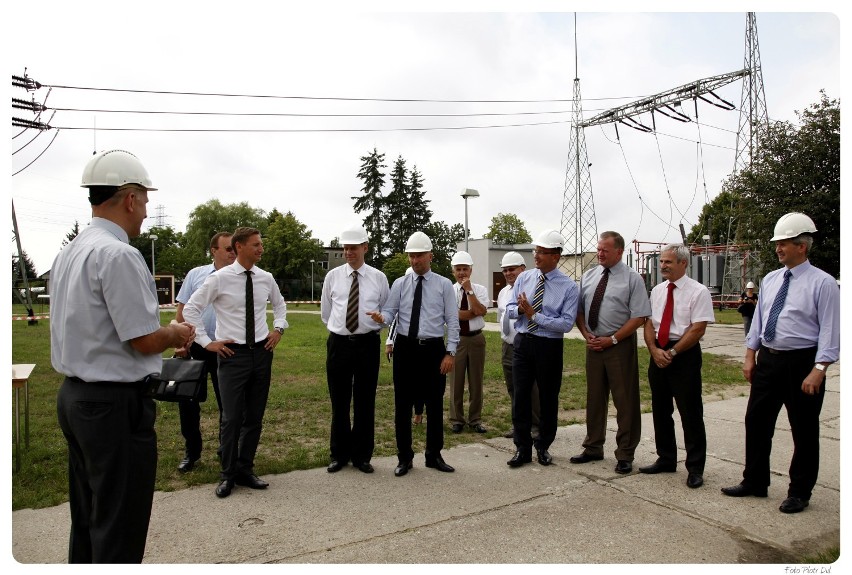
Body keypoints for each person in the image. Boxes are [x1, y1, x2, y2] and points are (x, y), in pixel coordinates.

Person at [52, 149, 195, 563]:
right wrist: (176, 331)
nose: (147, 212)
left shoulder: (72, 251)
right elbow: (145, 339)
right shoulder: (118, 254)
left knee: (89, 515)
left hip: (76, 398)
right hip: (111, 405)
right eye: (146, 201)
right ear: (130, 197)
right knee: (120, 523)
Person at [722, 213, 839, 514]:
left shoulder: (823, 284)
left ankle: (799, 491)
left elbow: (830, 330)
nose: (778, 248)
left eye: (784, 243)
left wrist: (820, 369)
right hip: (768, 362)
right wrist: (750, 356)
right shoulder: (772, 280)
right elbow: (759, 321)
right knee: (757, 422)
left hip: (803, 364)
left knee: (803, 429)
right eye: (777, 243)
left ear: (803, 246)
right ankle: (755, 482)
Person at [183, 226, 288, 498]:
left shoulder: (265, 278)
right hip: (232, 356)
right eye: (255, 244)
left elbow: (279, 305)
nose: (261, 248)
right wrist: (207, 342)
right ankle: (227, 474)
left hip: (262, 354)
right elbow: (192, 309)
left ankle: (245, 469)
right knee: (231, 418)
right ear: (239, 246)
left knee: (254, 417)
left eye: (260, 244)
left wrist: (278, 329)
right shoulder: (220, 278)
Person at [368, 231, 460, 477]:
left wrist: (450, 353)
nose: (414, 260)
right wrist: (381, 318)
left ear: (430, 255)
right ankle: (404, 458)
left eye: (419, 255)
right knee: (402, 404)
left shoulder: (443, 285)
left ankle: (434, 455)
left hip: (432, 350)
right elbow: (390, 312)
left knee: (434, 402)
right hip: (405, 349)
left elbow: (452, 320)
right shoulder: (400, 283)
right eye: (411, 256)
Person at [571, 231, 650, 474]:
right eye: (598, 249)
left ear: (619, 252)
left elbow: (638, 316)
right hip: (594, 345)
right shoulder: (589, 276)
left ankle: (625, 453)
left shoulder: (632, 279)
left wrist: (612, 339)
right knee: (595, 398)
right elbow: (580, 310)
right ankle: (593, 446)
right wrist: (587, 335)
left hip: (619, 345)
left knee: (625, 400)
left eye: (605, 250)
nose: (600, 253)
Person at [640, 243, 715, 488]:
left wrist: (671, 352)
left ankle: (695, 468)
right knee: (661, 411)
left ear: (683, 263)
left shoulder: (698, 291)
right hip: (658, 352)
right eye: (661, 262)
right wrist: (654, 351)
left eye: (668, 262)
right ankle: (666, 458)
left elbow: (698, 329)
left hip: (683, 355)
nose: (663, 266)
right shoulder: (658, 290)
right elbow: (650, 323)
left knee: (690, 413)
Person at [504, 229, 579, 468]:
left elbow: (566, 324)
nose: (536, 256)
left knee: (548, 398)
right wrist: (520, 311)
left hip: (549, 346)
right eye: (535, 251)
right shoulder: (525, 278)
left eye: (542, 252)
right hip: (523, 343)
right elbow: (509, 308)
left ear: (556, 256)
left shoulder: (568, 287)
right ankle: (522, 448)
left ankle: (543, 445)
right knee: (520, 396)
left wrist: (533, 314)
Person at [321, 224, 389, 474]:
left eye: (354, 248)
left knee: (364, 401)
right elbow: (326, 313)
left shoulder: (378, 278)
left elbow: (386, 311)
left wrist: (377, 321)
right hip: (339, 343)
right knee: (339, 401)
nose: (349, 252)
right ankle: (338, 454)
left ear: (365, 248)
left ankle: (361, 456)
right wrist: (341, 330)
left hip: (367, 344)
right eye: (346, 248)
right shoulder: (333, 277)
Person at [173, 232, 235, 472]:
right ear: (214, 250)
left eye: (234, 249)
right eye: (228, 249)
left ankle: (225, 449)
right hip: (197, 347)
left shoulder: (240, 277)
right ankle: (192, 452)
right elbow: (182, 313)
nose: (233, 253)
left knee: (228, 404)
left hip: (225, 348)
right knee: (188, 402)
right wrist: (181, 343)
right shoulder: (196, 275)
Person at [496, 251, 540, 439]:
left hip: (528, 344)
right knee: (513, 387)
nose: (508, 273)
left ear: (523, 268)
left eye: (511, 269)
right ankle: (519, 424)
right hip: (508, 345)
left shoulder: (533, 288)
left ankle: (536, 425)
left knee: (532, 388)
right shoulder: (503, 292)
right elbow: (501, 317)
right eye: (505, 270)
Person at [448, 251, 490, 434]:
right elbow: (453, 315)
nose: (462, 273)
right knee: (456, 381)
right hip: (457, 339)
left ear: (471, 270)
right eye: (458, 269)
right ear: (453, 271)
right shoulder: (448, 290)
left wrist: (469, 292)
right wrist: (473, 311)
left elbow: (481, 310)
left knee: (476, 381)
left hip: (476, 338)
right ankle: (457, 419)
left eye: (465, 269)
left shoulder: (480, 289)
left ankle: (475, 419)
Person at [386, 267, 423, 424]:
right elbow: (394, 321)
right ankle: (405, 415)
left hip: (422, 346)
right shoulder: (401, 296)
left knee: (420, 382)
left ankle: (419, 412)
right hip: (404, 344)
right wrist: (389, 342)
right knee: (405, 385)